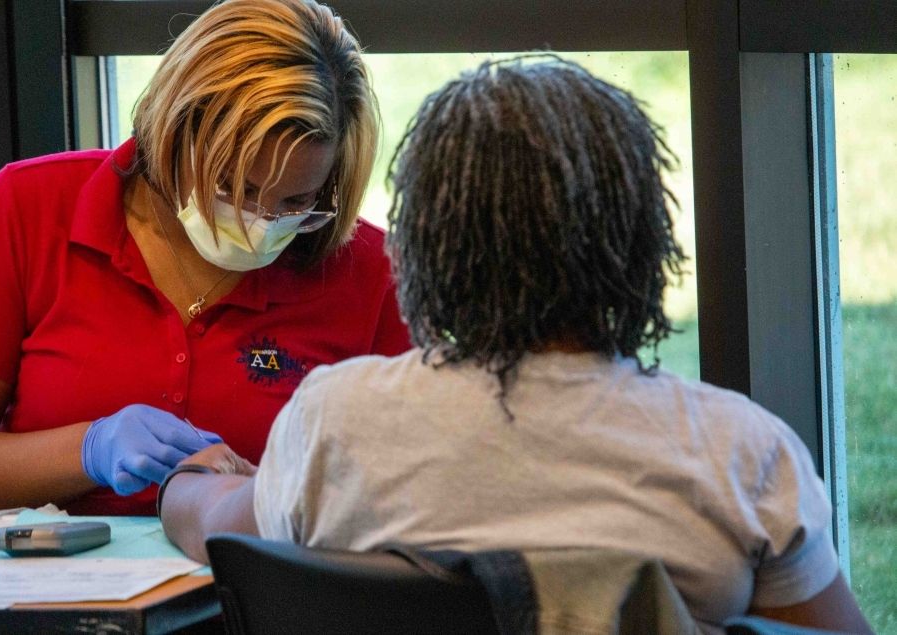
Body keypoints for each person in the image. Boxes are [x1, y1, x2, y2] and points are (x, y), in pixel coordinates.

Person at [158, 57, 874, 633]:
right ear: (646, 246)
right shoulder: (738, 452)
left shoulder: (332, 423)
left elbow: (213, 525)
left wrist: (184, 482)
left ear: (417, 251)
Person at [0, 0, 410, 517]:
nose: (259, 224)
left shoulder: (365, 271)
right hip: (44, 590)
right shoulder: (28, 211)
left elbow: (419, 485)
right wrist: (89, 449)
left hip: (260, 591)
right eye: (232, 187)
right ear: (174, 131)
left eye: (295, 202)